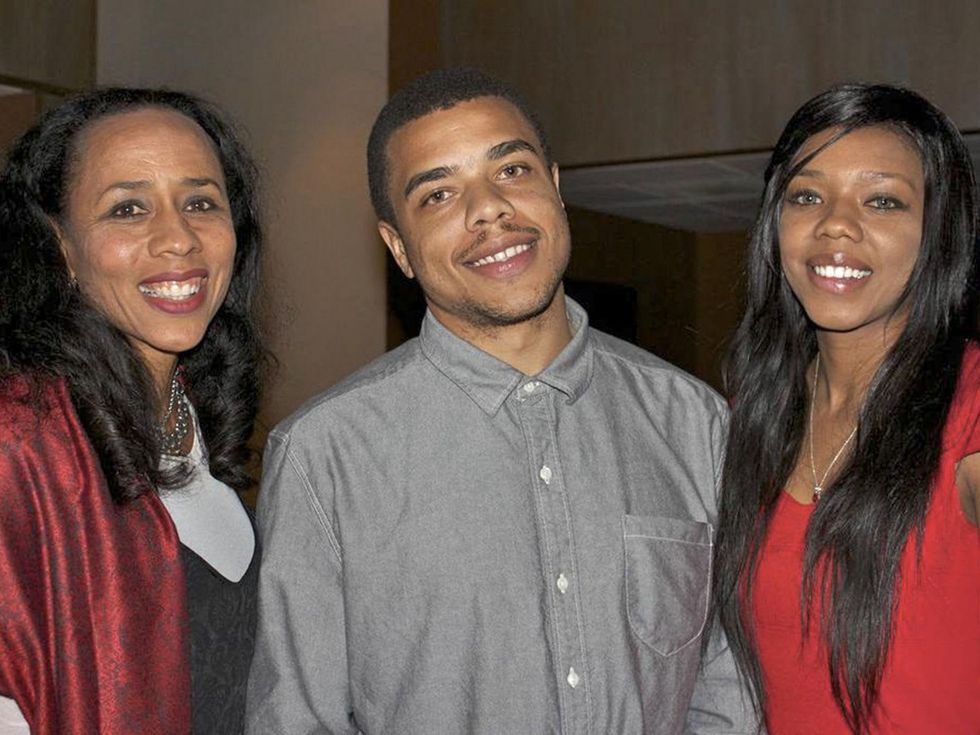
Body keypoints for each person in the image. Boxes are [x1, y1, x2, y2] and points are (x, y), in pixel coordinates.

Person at [247, 68, 757, 734]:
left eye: (510, 171)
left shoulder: (695, 422)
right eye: (437, 193)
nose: (488, 209)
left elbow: (728, 688)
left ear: (556, 189)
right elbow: (296, 718)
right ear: (399, 246)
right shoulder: (325, 454)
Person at [712, 83, 980, 734]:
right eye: (807, 195)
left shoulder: (969, 406)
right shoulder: (747, 416)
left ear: (937, 234)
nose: (835, 224)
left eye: (882, 200)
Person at [0, 88, 265, 734]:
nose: (177, 238)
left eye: (201, 202)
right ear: (60, 246)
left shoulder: (199, 433)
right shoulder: (19, 447)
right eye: (128, 208)